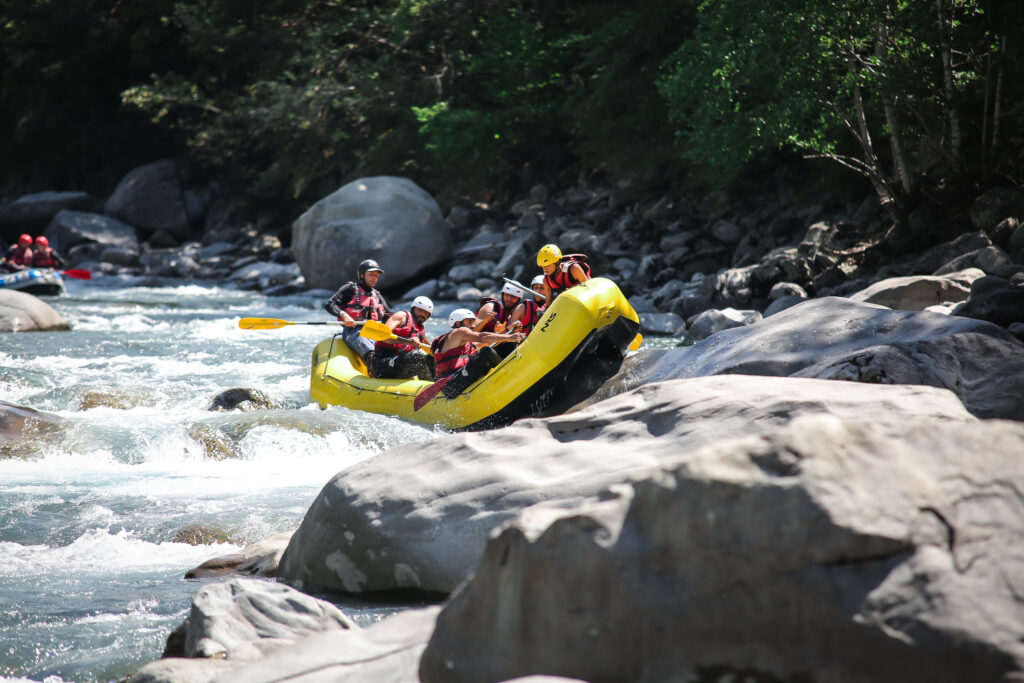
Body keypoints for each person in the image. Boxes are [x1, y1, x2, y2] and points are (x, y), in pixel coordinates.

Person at [431, 308, 525, 398]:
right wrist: (509, 337)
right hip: (452, 384)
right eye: (469, 322)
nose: (473, 326)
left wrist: (508, 330)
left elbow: (487, 341)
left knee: (495, 347)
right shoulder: (459, 332)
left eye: (473, 322)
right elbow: (483, 336)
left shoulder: (459, 340)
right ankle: (511, 374)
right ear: (458, 323)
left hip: (460, 379)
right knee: (485, 351)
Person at [324, 259, 391, 365]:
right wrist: (344, 315)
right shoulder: (350, 288)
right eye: (371, 274)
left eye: (376, 275)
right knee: (361, 337)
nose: (374, 278)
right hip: (354, 330)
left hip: (375, 332)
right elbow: (330, 304)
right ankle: (374, 365)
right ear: (362, 275)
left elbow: (389, 315)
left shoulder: (377, 295)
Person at [371, 295, 435, 380]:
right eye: (420, 310)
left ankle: (436, 385)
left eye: (426, 313)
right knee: (415, 355)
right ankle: (429, 388)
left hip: (399, 366)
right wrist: (407, 341)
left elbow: (431, 350)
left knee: (432, 358)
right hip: (382, 364)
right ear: (413, 309)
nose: (422, 314)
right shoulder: (401, 316)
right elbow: (383, 336)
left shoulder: (420, 330)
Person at [537, 243, 590, 308]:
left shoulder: (574, 269)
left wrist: (572, 291)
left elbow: (589, 289)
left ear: (557, 262)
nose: (544, 269)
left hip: (583, 300)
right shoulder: (546, 281)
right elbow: (548, 305)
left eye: (548, 265)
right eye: (543, 266)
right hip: (568, 305)